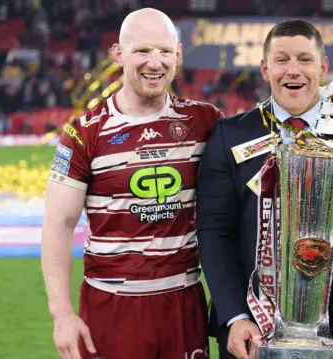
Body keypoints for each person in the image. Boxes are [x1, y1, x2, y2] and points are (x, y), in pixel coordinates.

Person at [196, 19, 333, 359]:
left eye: (304, 59)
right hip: (250, 333)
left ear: (323, 66)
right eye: (282, 59)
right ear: (264, 67)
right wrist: (236, 316)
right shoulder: (229, 135)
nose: (293, 70)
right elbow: (214, 232)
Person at [40, 8, 223, 359]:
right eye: (142, 50)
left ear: (178, 54)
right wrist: (61, 313)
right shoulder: (83, 134)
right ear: (118, 54)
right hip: (111, 305)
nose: (155, 63)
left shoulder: (205, 120)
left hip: (183, 301)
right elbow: (58, 225)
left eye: (164, 51)